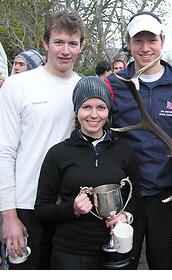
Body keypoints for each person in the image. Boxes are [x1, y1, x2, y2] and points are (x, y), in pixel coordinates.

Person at [0, 11, 84, 270]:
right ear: (46, 43)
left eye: (72, 43)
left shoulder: (85, 89)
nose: (65, 50)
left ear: (81, 47)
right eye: (58, 42)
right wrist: (9, 216)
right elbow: (4, 152)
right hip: (26, 206)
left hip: (70, 208)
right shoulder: (18, 86)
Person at [106, 11, 172, 269]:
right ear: (128, 44)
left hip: (168, 197)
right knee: (120, 265)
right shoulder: (113, 84)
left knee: (168, 266)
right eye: (137, 41)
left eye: (151, 40)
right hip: (125, 197)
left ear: (162, 40)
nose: (145, 48)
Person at [34, 76, 139, 269]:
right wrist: (71, 208)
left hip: (115, 253)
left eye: (101, 107)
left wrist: (127, 216)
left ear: (108, 111)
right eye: (86, 107)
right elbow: (42, 209)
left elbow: (137, 197)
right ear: (76, 111)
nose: (93, 115)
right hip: (70, 253)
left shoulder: (124, 150)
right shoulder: (58, 153)